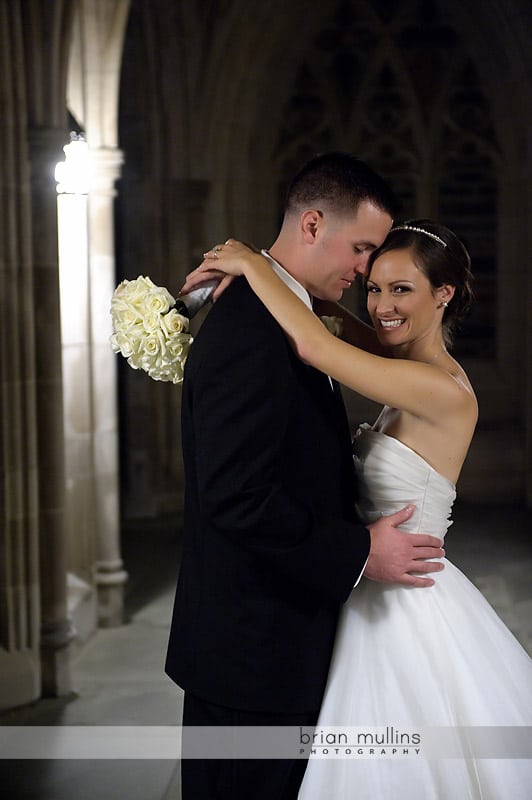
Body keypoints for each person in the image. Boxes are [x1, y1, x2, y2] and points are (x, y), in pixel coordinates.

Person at [195, 220, 532, 798]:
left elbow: (316, 345)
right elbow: (343, 326)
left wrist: (256, 265)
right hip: (364, 583)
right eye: (373, 287)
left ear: (443, 294)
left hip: (405, 602)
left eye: (402, 290)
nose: (380, 306)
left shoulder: (442, 391)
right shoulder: (405, 362)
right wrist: (308, 292)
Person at [165, 153, 447, 800]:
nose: (366, 270)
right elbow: (238, 497)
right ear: (314, 224)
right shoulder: (250, 330)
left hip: (274, 642)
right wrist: (361, 551)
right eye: (363, 249)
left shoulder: (286, 313)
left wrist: (257, 266)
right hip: (250, 657)